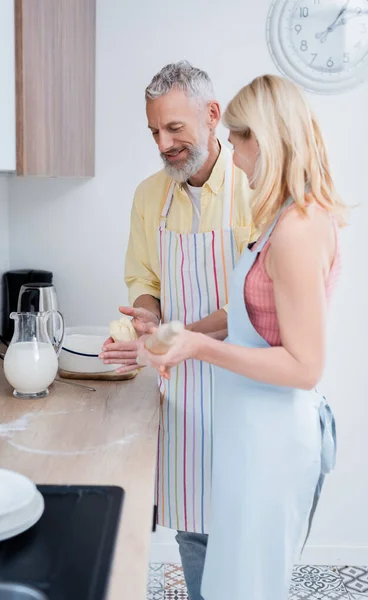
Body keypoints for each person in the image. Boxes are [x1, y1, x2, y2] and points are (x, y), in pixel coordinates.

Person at [139, 74, 345, 600]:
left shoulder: (298, 229)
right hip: (251, 434)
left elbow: (305, 367)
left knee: (248, 588)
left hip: (274, 441)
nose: (234, 154)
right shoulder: (278, 218)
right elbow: (249, 319)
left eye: (237, 140)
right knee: (232, 586)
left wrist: (199, 347)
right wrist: (175, 333)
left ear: (266, 140)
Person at [99, 61, 255, 599]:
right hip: (185, 390)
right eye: (155, 132)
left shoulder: (253, 189)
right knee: (194, 531)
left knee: (246, 529)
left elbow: (255, 304)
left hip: (247, 382)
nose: (163, 143)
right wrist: (147, 317)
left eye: (174, 129)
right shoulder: (150, 196)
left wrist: (179, 332)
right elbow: (144, 279)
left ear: (212, 116)